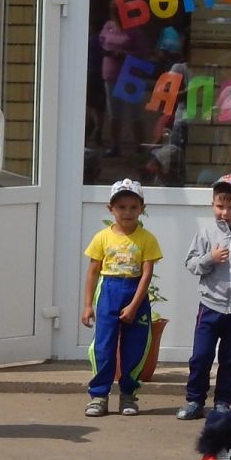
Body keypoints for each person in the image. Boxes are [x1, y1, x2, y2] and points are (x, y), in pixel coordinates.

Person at [174, 173, 231, 419]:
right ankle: (194, 401)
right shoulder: (206, 234)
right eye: (219, 206)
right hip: (210, 307)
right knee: (201, 357)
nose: (224, 212)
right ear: (212, 204)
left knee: (230, 359)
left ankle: (222, 403)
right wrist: (209, 259)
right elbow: (191, 264)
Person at [80, 179, 161, 417]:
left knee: (134, 347)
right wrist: (87, 305)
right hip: (109, 291)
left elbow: (147, 274)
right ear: (110, 209)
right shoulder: (102, 237)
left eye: (133, 207)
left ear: (141, 209)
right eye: (121, 207)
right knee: (104, 346)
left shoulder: (147, 239)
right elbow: (93, 271)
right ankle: (99, 395)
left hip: (135, 291)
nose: (127, 212)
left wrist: (135, 305)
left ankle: (128, 395)